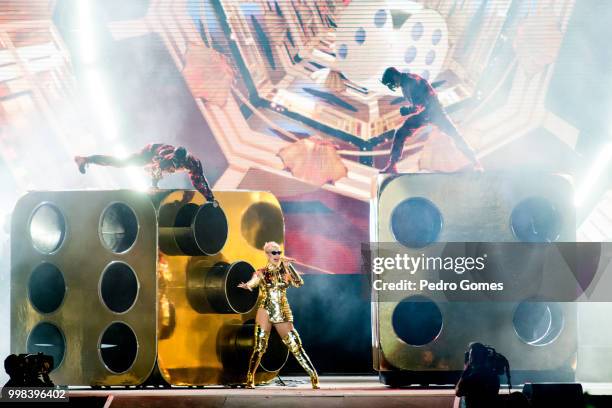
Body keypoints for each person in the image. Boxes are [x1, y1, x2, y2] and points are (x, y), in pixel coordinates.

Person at [237, 241, 319, 389]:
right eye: (273, 253)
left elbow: (299, 282)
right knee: (260, 345)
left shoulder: (285, 270)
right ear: (267, 255)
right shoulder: (261, 272)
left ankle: (313, 375)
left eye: (279, 252)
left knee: (295, 344)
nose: (277, 255)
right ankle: (250, 378)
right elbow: (254, 282)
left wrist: (290, 267)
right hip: (265, 309)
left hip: (281, 309)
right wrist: (248, 285)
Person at [380, 67, 482, 173]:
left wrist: (407, 110)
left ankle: (475, 162)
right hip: (425, 114)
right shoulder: (405, 84)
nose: (392, 86)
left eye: (391, 83)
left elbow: (420, 104)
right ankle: (392, 165)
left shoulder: (411, 81)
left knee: (455, 135)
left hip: (434, 113)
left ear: (394, 76)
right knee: (400, 133)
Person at [74, 143, 216, 203]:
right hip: (149, 153)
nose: (175, 166)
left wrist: (209, 198)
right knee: (122, 162)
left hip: (157, 160)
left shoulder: (194, 163)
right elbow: (155, 170)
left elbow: (199, 180)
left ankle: (86, 159)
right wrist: (153, 185)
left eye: (178, 165)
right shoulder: (165, 158)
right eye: (174, 163)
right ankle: (85, 159)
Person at [455, 342, 501, 408]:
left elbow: (458, 392)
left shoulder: (472, 378)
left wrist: (465, 369)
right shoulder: (494, 376)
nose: (469, 357)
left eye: (470, 355)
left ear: (473, 357)